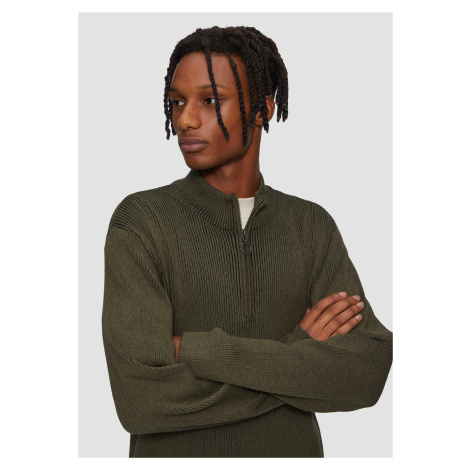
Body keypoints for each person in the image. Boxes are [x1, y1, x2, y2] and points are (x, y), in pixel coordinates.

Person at [101, 25, 393, 458]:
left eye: (210, 100)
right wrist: (298, 355)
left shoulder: (311, 226)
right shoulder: (141, 222)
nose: (185, 119)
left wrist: (196, 351)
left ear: (262, 110)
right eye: (177, 101)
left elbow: (365, 371)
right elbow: (140, 400)